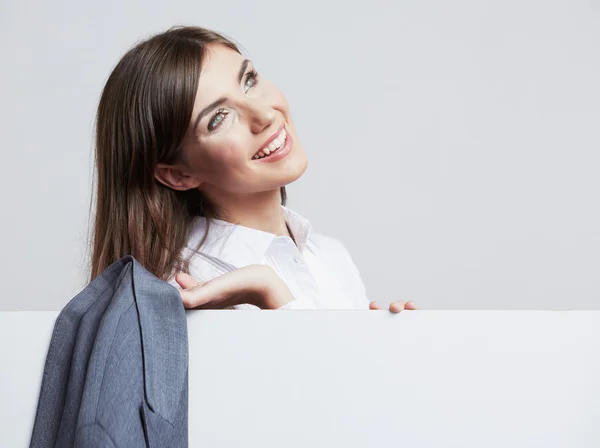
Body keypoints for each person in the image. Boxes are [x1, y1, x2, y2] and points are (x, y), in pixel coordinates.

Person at [89, 25, 417, 313]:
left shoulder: (330, 256)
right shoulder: (184, 292)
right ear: (178, 174)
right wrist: (269, 292)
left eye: (249, 80)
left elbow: (349, 380)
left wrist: (388, 349)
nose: (264, 115)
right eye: (218, 118)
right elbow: (316, 380)